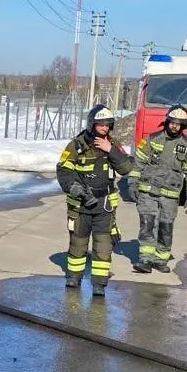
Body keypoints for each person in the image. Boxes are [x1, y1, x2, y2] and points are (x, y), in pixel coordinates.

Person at [55, 104, 134, 296]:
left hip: (104, 206)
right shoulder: (76, 145)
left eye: (108, 125)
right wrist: (74, 187)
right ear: (92, 124)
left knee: (103, 245)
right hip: (80, 204)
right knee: (78, 242)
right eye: (101, 125)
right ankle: (74, 276)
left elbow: (127, 169)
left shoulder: (113, 145)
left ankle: (99, 283)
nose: (105, 128)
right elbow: (63, 170)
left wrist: (111, 151)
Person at [128, 105, 187, 273]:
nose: (175, 126)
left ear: (183, 126)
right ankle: (145, 259)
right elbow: (138, 163)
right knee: (147, 224)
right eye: (172, 122)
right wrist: (132, 183)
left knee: (165, 227)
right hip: (148, 191)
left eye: (179, 124)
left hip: (170, 195)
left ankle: (161, 259)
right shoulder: (152, 139)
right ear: (167, 122)